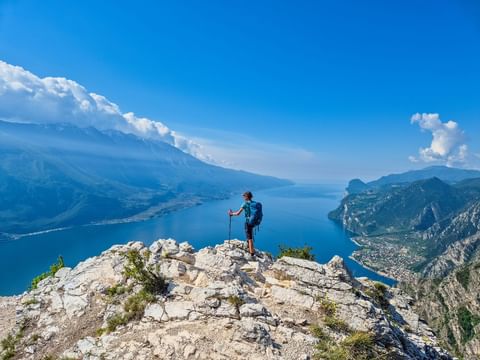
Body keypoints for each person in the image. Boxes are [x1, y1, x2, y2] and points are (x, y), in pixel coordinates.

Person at [229, 191, 256, 256]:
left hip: (248, 222)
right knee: (250, 235)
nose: (243, 197)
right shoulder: (254, 203)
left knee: (249, 238)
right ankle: (249, 247)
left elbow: (238, 213)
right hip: (253, 222)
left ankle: (252, 254)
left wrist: (231, 214)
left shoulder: (245, 204)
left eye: (244, 196)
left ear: (246, 197)